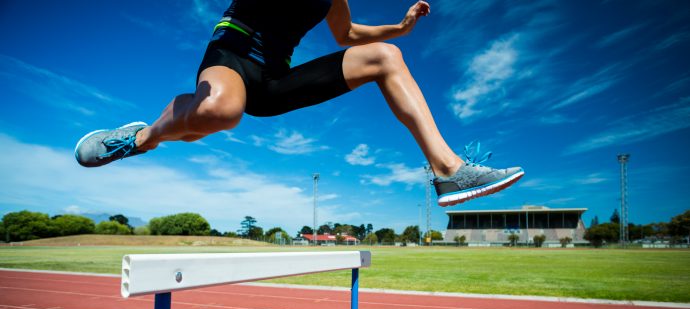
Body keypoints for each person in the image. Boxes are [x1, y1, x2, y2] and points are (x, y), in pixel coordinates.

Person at [74, 0, 523, 206]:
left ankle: (448, 171)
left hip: (274, 82)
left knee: (386, 57)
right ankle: (139, 138)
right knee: (219, 111)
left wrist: (400, 29)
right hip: (232, 53)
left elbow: (347, 35)